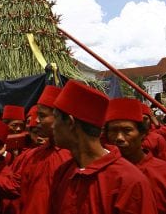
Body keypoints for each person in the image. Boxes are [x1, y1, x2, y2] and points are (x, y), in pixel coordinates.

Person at [49, 80, 157, 214]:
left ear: (70, 123)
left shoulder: (128, 181)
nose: (52, 126)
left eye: (56, 119)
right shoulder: (63, 172)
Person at [105, 97, 166, 214]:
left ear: (143, 134)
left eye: (127, 130)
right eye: (113, 131)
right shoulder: (102, 173)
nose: (119, 138)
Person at [14, 85, 71, 214]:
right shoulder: (32, 155)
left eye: (42, 115)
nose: (36, 120)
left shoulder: (74, 158)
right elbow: (14, 185)